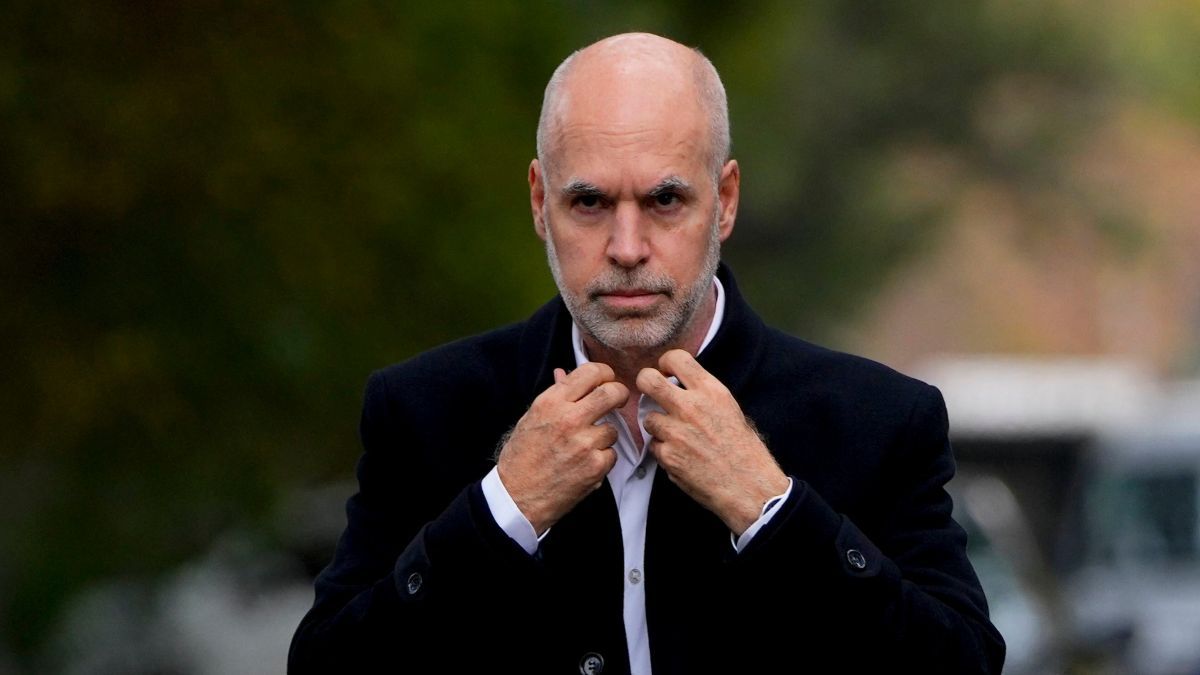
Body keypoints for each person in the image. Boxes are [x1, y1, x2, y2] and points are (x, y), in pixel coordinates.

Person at [288, 32, 1005, 674]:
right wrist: (501, 510)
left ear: (724, 200)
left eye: (665, 201)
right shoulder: (425, 411)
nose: (627, 249)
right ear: (539, 202)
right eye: (589, 203)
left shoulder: (880, 421)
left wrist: (772, 510)